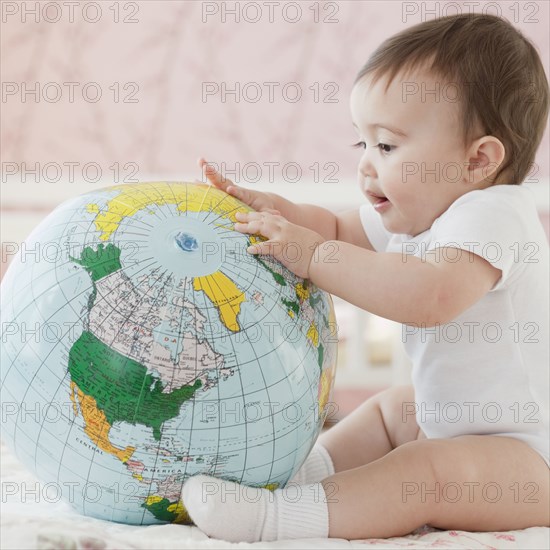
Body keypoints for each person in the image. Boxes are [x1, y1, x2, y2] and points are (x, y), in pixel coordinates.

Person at [181, 13, 550, 542]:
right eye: (363, 145)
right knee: (392, 410)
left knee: (425, 471)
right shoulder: (428, 214)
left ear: (478, 161)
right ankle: (306, 480)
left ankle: (278, 520)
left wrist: (312, 256)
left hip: (528, 460)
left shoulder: (495, 214)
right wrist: (268, 207)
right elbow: (334, 226)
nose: (366, 167)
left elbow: (429, 295)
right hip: (462, 429)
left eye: (388, 146)